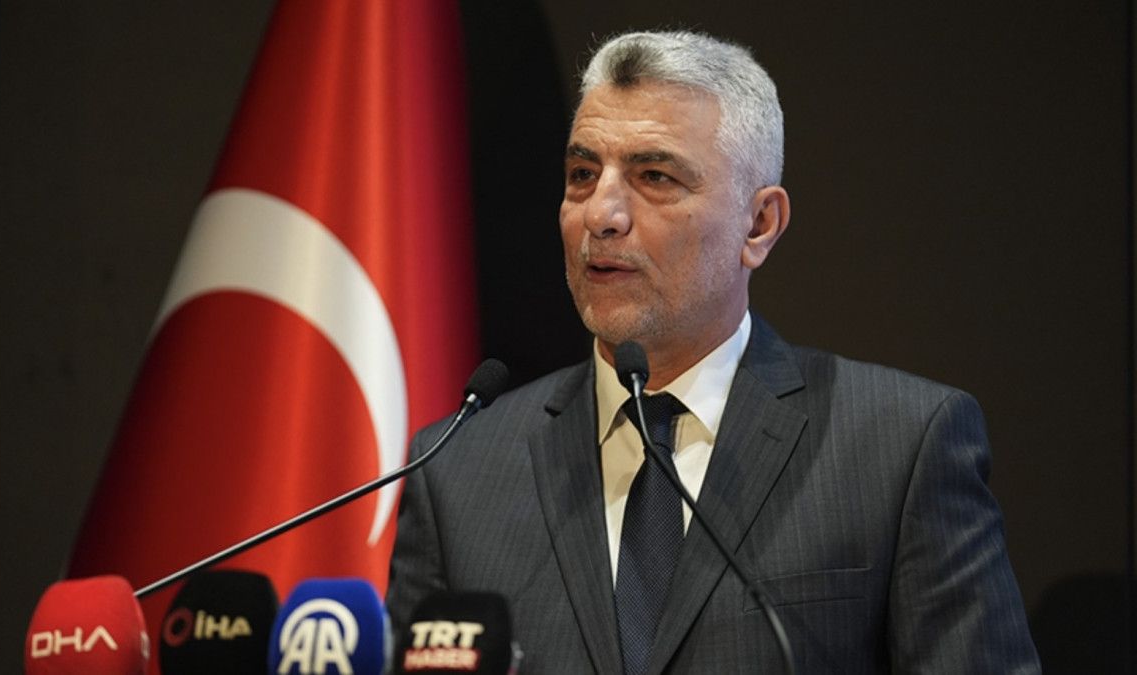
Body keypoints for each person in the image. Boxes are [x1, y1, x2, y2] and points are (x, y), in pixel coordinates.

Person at [387, 30, 1039, 673]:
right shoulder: (457, 471)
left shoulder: (899, 448)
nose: (601, 215)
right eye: (583, 174)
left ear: (759, 225)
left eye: (654, 176)